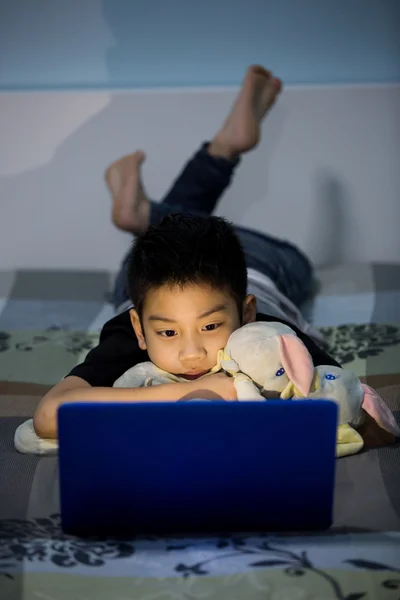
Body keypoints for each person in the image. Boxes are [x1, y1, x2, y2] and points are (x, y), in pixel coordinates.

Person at [33, 65, 340, 440]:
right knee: (193, 231)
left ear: (246, 312)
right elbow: (47, 415)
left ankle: (166, 198)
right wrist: (200, 392)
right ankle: (160, 203)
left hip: (256, 259)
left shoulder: (269, 337)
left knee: (292, 264)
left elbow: (341, 400)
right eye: (166, 333)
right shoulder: (131, 332)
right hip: (251, 262)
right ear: (139, 329)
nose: (191, 353)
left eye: (211, 326)